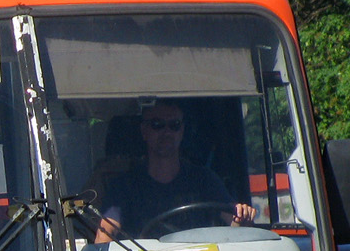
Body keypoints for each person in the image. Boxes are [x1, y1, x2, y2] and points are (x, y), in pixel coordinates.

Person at [95, 100, 256, 241]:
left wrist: (242, 217)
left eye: (174, 125)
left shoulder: (204, 180)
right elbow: (105, 235)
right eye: (157, 125)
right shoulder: (124, 186)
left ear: (182, 130)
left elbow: (235, 222)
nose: (167, 132)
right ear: (144, 131)